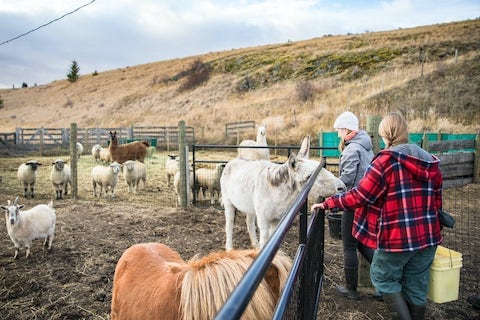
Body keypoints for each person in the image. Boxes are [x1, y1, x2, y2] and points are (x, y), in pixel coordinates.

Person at [312, 112, 443, 320]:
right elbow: (437, 201)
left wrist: (330, 203)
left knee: (382, 277)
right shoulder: (428, 160)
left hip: (397, 237)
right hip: (428, 237)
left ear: (386, 134)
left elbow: (360, 195)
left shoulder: (385, 162)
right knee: (416, 284)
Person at [331, 111, 375, 300]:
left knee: (349, 245)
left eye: (339, 130)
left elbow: (346, 179)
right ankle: (386, 282)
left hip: (354, 201)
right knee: (363, 243)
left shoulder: (351, 149)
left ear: (347, 129)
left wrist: (334, 195)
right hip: (366, 200)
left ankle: (351, 289)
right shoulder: (366, 146)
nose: (338, 134)